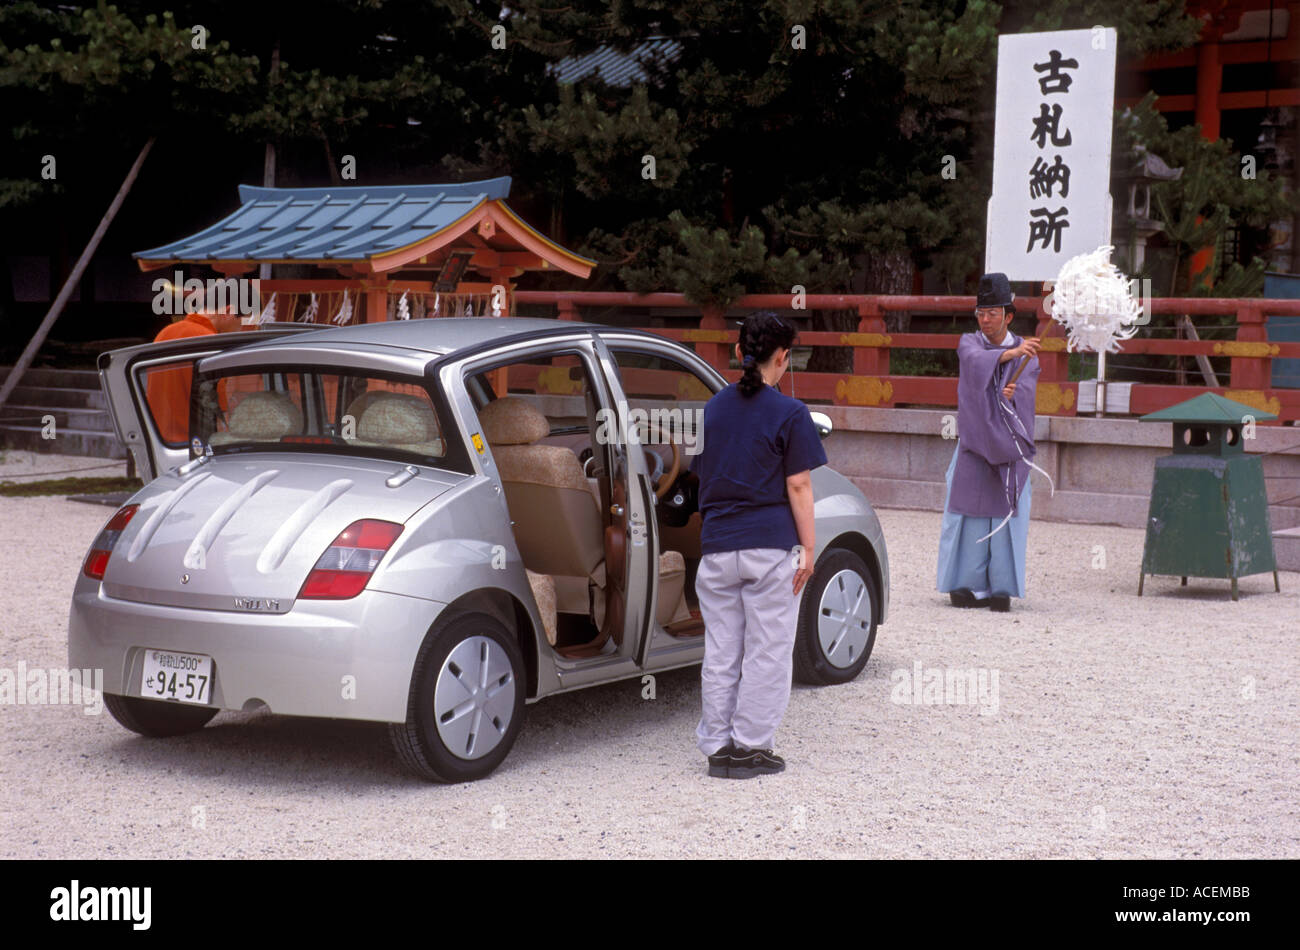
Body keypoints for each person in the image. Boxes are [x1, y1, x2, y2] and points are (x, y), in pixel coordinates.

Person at [688, 311, 827, 779]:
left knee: (722, 650)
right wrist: (809, 548)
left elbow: (701, 475)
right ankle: (751, 746)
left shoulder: (712, 409)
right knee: (767, 649)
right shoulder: (790, 413)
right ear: (783, 357)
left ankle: (718, 745)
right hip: (769, 548)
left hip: (718, 549)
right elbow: (800, 486)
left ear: (737, 352)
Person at [936, 272, 1045, 612]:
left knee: (1006, 514)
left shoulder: (1028, 354)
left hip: (1006, 446)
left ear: (1008, 316)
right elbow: (973, 366)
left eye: (992, 313)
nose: (985, 320)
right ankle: (965, 585)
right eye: (981, 313)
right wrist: (1009, 356)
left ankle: (1001, 588)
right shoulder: (971, 343)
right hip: (973, 442)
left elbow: (1024, 396)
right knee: (966, 514)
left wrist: (1013, 396)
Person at [145, 307, 243, 444]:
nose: (241, 326)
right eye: (241, 318)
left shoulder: (163, 334)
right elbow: (219, 413)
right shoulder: (211, 343)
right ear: (227, 312)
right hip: (196, 448)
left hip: (159, 445)